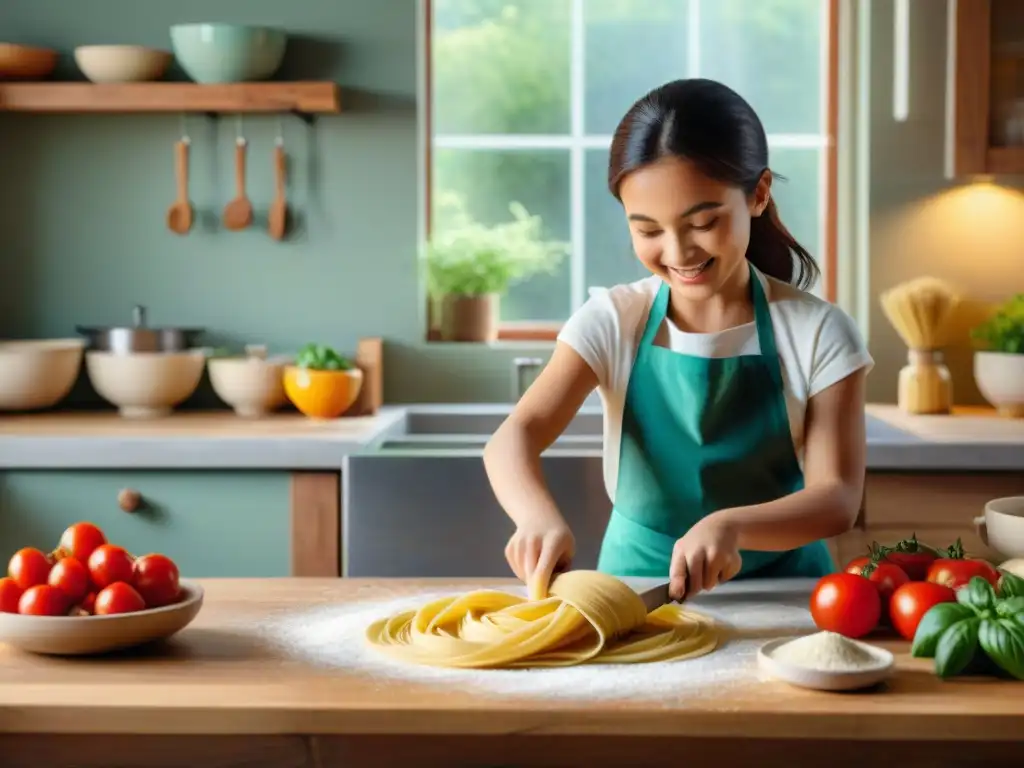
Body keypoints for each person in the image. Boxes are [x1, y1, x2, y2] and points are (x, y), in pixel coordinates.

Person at [483, 78, 873, 603]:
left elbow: (837, 497)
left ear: (758, 195)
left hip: (785, 596)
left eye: (703, 222)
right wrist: (535, 517)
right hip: (634, 590)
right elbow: (514, 437)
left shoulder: (818, 332)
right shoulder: (613, 321)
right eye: (647, 231)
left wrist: (731, 527)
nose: (678, 251)